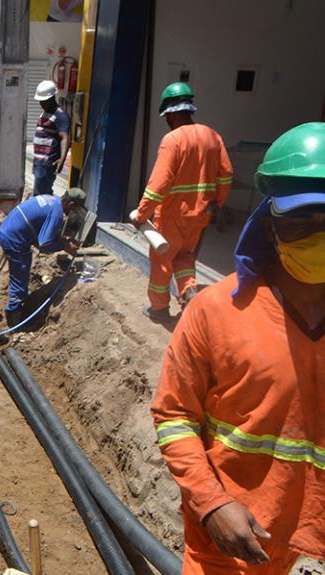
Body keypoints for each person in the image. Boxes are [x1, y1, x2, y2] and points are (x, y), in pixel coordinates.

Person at [150, 122, 325, 574]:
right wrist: (211, 504)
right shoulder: (217, 313)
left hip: (308, 539)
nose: (318, 236)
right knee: (174, 265)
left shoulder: (178, 139)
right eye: (302, 222)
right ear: (269, 226)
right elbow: (173, 416)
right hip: (230, 544)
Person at [132, 82, 232, 322]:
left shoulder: (173, 140)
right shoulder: (212, 136)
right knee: (185, 257)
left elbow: (159, 184)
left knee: (162, 262)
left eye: (167, 116)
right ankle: (189, 294)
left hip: (172, 215)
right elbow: (227, 173)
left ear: (172, 113)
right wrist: (217, 203)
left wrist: (142, 214)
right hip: (200, 215)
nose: (167, 120)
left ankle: (159, 309)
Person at [0, 189, 85, 327]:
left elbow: (41, 232)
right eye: (76, 210)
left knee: (23, 269)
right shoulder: (57, 214)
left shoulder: (52, 200)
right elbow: (44, 246)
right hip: (15, 238)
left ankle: (19, 308)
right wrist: (64, 246)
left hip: (10, 230)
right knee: (20, 274)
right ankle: (14, 320)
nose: (74, 214)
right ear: (71, 204)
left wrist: (61, 240)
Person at [32, 80, 71, 196]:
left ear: (52, 98)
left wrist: (62, 160)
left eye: (43, 101)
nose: (41, 103)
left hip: (47, 163)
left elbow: (65, 138)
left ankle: (43, 214)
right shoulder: (44, 113)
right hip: (39, 162)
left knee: (39, 196)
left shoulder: (60, 116)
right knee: (44, 193)